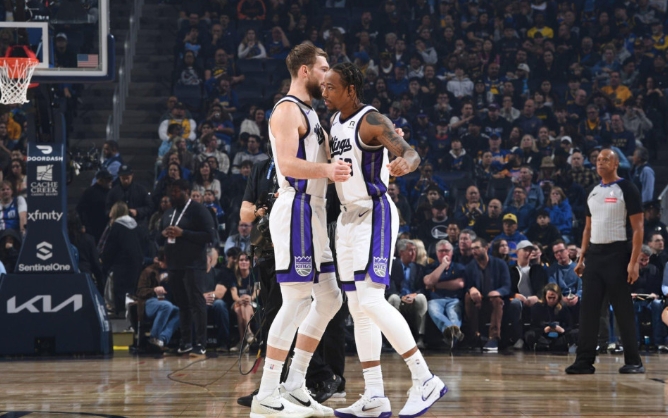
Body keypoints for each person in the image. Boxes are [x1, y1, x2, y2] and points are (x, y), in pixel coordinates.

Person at [324, 62, 446, 418]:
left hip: (374, 214)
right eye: (324, 86)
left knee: (372, 300)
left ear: (350, 90)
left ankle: (425, 379)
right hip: (347, 218)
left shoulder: (371, 119)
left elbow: (410, 151)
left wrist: (407, 163)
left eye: (332, 87)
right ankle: (375, 395)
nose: (325, 92)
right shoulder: (334, 122)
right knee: (357, 307)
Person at [250, 44, 345, 418]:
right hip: (297, 209)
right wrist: (328, 171)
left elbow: (333, 159)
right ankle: (266, 393)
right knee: (296, 301)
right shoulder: (287, 110)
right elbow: (288, 164)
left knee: (330, 298)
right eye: (323, 68)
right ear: (305, 71)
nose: (328, 74)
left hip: (316, 212)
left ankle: (294, 383)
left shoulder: (312, 113)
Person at [566, 148, 645, 374]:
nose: (600, 162)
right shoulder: (593, 191)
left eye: (606, 159)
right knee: (588, 310)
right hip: (594, 256)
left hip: (618, 254)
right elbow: (587, 228)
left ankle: (634, 361)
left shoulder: (627, 188)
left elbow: (638, 228)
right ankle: (584, 361)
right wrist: (581, 257)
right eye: (598, 159)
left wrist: (634, 262)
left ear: (616, 163)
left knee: (623, 310)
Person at [159, 179, 217, 358]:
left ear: (186, 191)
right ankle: (185, 342)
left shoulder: (199, 210)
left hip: (193, 264)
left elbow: (210, 236)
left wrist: (183, 233)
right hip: (174, 264)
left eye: (176, 191)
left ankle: (201, 344)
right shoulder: (169, 212)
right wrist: (163, 234)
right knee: (182, 304)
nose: (173, 194)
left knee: (197, 303)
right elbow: (157, 236)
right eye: (171, 191)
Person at [463, 237, 513, 352]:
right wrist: (471, 289)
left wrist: (498, 292)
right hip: (479, 301)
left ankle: (494, 338)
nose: (474, 251)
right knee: (467, 297)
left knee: (497, 299)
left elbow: (507, 286)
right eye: (472, 249)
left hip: (495, 301)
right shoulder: (470, 267)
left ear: (485, 248)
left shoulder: (500, 264)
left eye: (476, 248)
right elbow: (467, 285)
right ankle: (475, 336)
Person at [100, 201, 144, 317]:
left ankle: (120, 315)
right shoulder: (135, 225)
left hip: (122, 264)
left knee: (120, 291)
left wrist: (104, 261)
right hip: (136, 263)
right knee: (131, 291)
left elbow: (111, 247)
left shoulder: (117, 226)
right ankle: (131, 316)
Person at [423, 240, 466, 349]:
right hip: (436, 300)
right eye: (441, 251)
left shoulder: (459, 267)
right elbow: (428, 282)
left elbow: (459, 284)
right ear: (436, 252)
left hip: (454, 299)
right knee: (433, 310)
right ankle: (454, 334)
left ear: (452, 252)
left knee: (454, 314)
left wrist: (436, 285)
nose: (444, 253)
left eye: (447, 250)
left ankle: (451, 336)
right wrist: (443, 265)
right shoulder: (431, 266)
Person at [135, 248, 180, 349]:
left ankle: (162, 339)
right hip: (149, 303)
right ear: (165, 257)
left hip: (168, 303)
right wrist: (154, 289)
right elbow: (140, 292)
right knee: (166, 306)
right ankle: (154, 337)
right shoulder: (149, 271)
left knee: (181, 312)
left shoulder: (173, 272)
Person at [387, 240, 428, 347]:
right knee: (393, 298)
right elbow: (390, 286)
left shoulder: (419, 268)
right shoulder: (392, 267)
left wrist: (414, 295)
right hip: (399, 298)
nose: (414, 253)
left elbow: (422, 288)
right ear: (401, 252)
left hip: (412, 299)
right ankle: (394, 339)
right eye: (410, 250)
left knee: (421, 297)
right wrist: (401, 297)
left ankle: (420, 338)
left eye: (415, 250)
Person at [524, 283, 575, 352]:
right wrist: (544, 330)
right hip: (543, 335)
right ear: (545, 296)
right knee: (529, 335)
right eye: (549, 298)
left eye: (554, 298)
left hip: (559, 336)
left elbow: (570, 326)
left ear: (558, 296)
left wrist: (562, 330)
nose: (551, 300)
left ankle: (554, 345)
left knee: (576, 333)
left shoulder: (563, 308)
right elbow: (533, 326)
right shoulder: (537, 307)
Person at [77, 169, 113, 243]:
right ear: (100, 180)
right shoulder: (90, 192)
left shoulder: (111, 192)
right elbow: (80, 209)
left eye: (110, 179)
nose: (110, 182)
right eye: (107, 180)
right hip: (92, 228)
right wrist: (83, 225)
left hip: (107, 227)